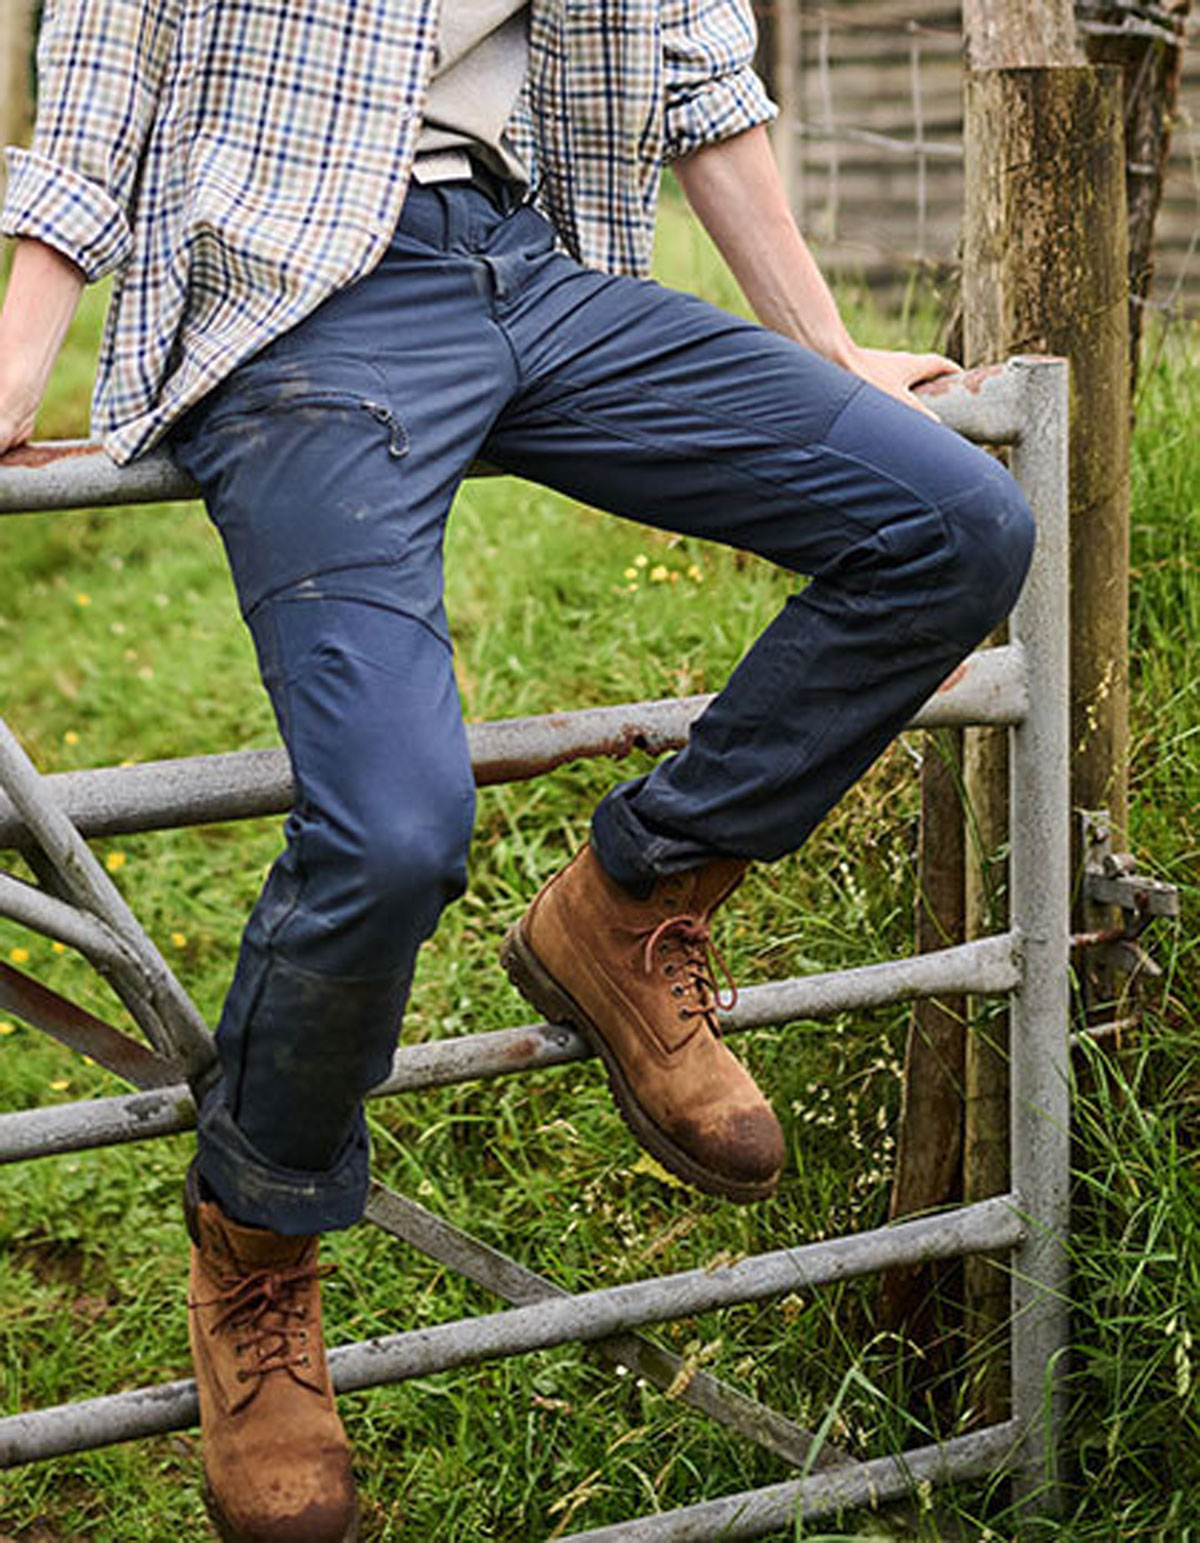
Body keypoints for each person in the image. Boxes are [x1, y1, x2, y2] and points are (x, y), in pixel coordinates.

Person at [0, 3, 1035, 1539]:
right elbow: (104, 69)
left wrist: (828, 347)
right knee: (393, 831)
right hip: (298, 301)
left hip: (533, 268)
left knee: (953, 523)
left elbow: (697, 65)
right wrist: (17, 361)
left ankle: (632, 902)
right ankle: (257, 1245)